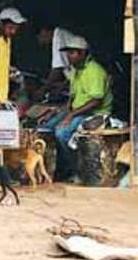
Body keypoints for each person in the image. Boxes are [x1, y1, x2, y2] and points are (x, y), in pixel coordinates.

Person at [45, 35, 113, 180]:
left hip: (95, 113)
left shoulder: (94, 70)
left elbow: (96, 101)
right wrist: (63, 111)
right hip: (77, 111)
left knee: (62, 133)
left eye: (72, 53)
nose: (68, 57)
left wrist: (71, 115)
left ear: (82, 53)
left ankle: (76, 169)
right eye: (67, 53)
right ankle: (57, 170)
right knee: (46, 127)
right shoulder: (76, 69)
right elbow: (73, 95)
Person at [34, 22, 78, 99]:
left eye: (40, 36)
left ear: (44, 31)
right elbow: (69, 68)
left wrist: (43, 90)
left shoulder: (58, 37)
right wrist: (63, 85)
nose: (40, 40)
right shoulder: (62, 35)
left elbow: (57, 69)